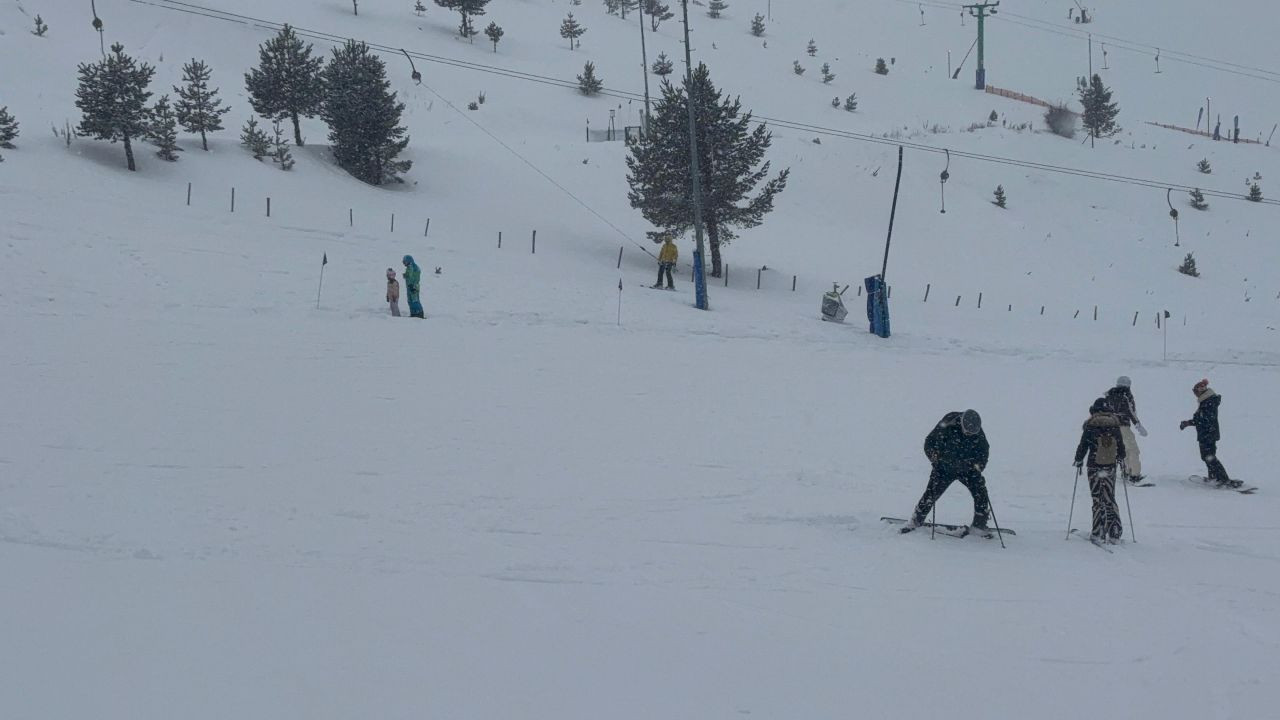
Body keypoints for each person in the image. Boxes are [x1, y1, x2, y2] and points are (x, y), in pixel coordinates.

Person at [903, 409, 991, 532]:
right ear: (962, 423)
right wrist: (934, 457)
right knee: (930, 495)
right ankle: (915, 521)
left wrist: (979, 466)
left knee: (981, 494)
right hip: (944, 468)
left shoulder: (978, 432)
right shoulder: (948, 423)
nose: (969, 434)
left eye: (972, 433)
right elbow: (930, 442)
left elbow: (984, 452)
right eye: (967, 432)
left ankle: (979, 525)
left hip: (968, 470)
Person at [1074, 398, 1127, 542]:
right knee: (1110, 497)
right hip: (1110, 466)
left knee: (1097, 498)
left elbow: (1083, 445)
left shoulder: (1091, 425)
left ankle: (1098, 531)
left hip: (1094, 466)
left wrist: (1078, 459)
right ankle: (1115, 530)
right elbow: (1121, 449)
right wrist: (1120, 458)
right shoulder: (1114, 425)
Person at [1180, 379, 1238, 487]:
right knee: (1208, 456)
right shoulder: (1207, 401)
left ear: (1201, 391)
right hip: (1207, 434)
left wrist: (1188, 422)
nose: (1195, 395)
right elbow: (1202, 418)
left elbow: (1203, 419)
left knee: (1209, 457)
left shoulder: (1208, 402)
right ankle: (1214, 477)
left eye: (1195, 392)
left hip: (1208, 434)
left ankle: (1223, 479)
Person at [1105, 376, 1148, 483]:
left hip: (1111, 427)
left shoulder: (1109, 396)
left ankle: (1125, 471)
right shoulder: (1125, 396)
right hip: (1123, 427)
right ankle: (1134, 475)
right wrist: (1138, 426)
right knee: (1132, 450)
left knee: (1121, 449)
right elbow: (1130, 411)